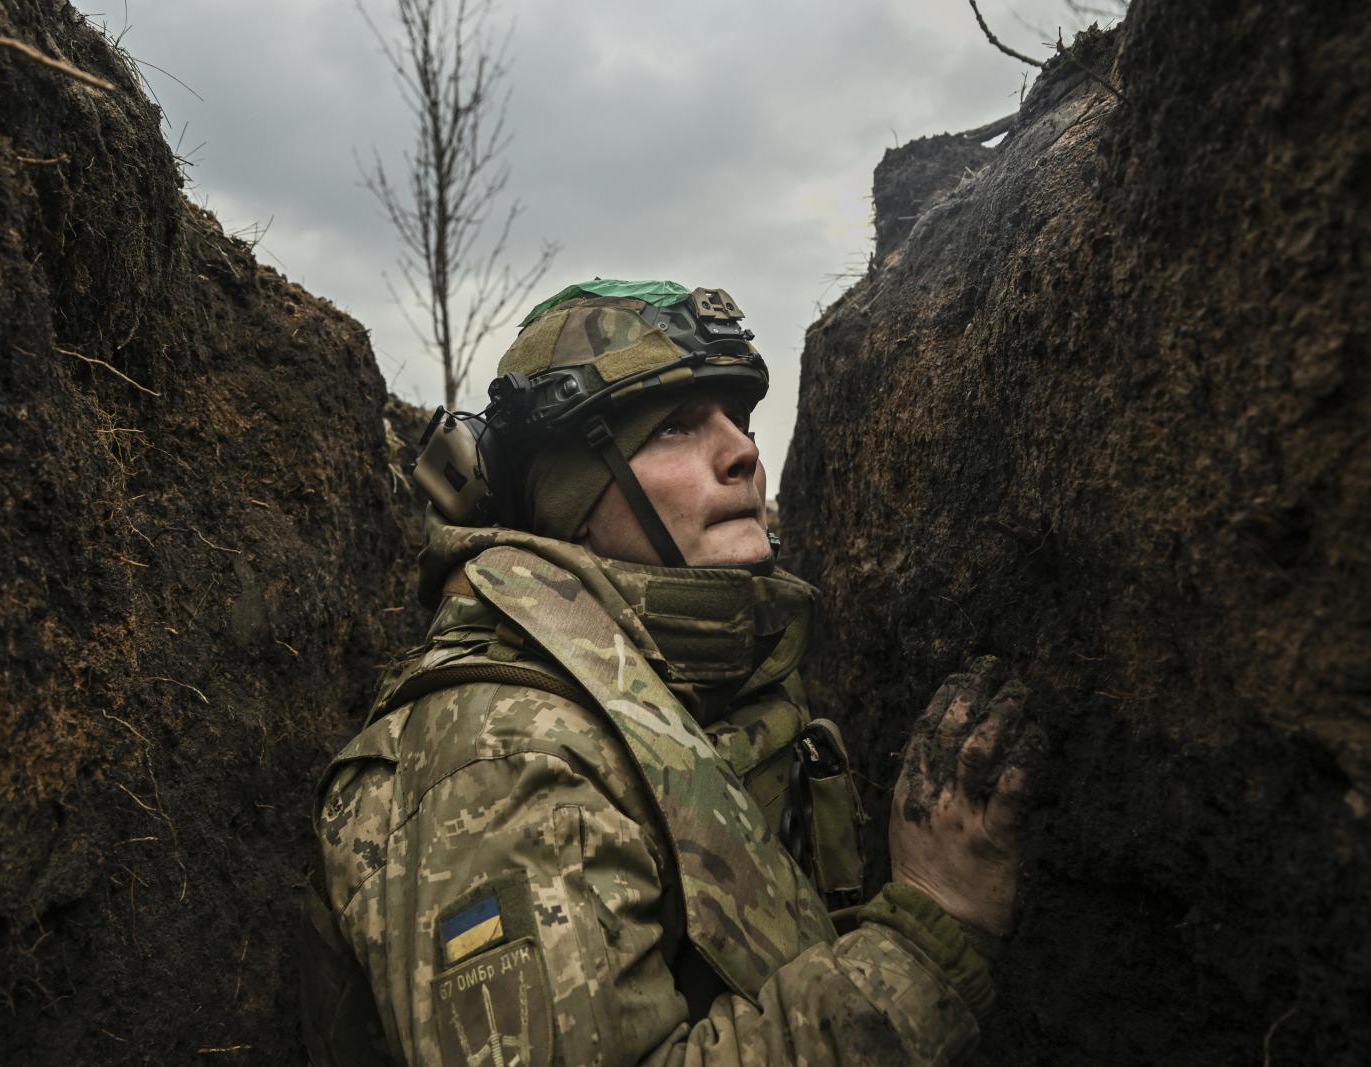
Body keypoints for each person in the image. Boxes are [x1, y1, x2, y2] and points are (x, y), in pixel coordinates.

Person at [300, 279, 1036, 1066]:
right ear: (569, 503)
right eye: (676, 428)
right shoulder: (504, 756)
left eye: (736, 418)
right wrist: (925, 937)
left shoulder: (696, 684)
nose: (743, 452)